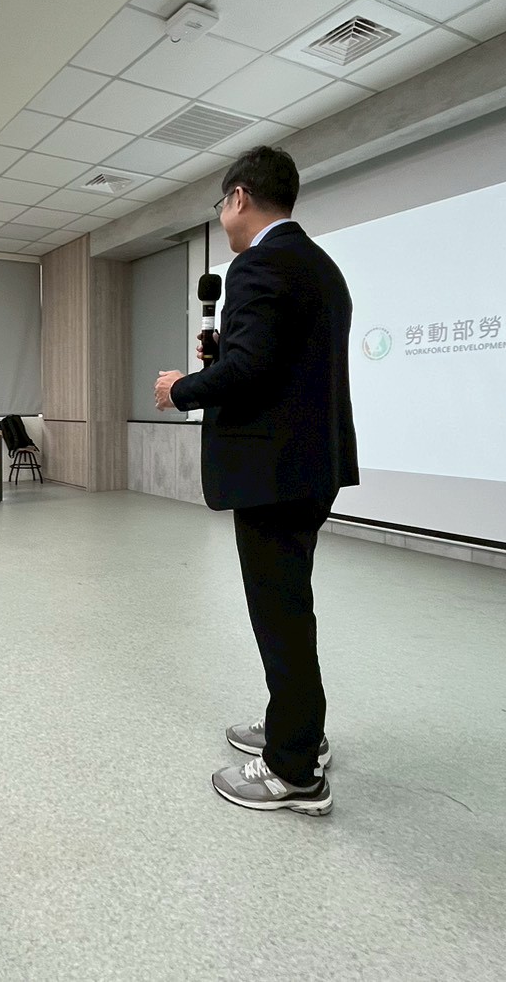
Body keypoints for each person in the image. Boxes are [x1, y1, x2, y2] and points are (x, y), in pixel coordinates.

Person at [154, 146, 358, 818]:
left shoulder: (258, 264)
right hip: (310, 467)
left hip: (274, 474)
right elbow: (275, 364)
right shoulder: (319, 265)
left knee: (280, 617)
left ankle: (294, 770)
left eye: (221, 204)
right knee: (289, 608)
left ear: (238, 197)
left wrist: (182, 387)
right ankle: (297, 729)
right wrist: (224, 358)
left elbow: (249, 375)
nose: (222, 217)